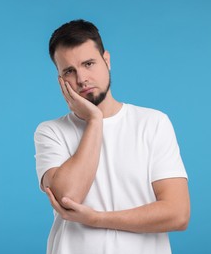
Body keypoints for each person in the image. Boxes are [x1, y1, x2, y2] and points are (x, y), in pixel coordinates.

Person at [34, 19, 190, 254]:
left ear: (106, 60)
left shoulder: (153, 123)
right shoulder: (50, 132)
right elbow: (68, 196)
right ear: (60, 80)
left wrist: (97, 219)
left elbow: (178, 214)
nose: (81, 78)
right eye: (69, 71)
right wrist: (95, 121)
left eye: (89, 64)